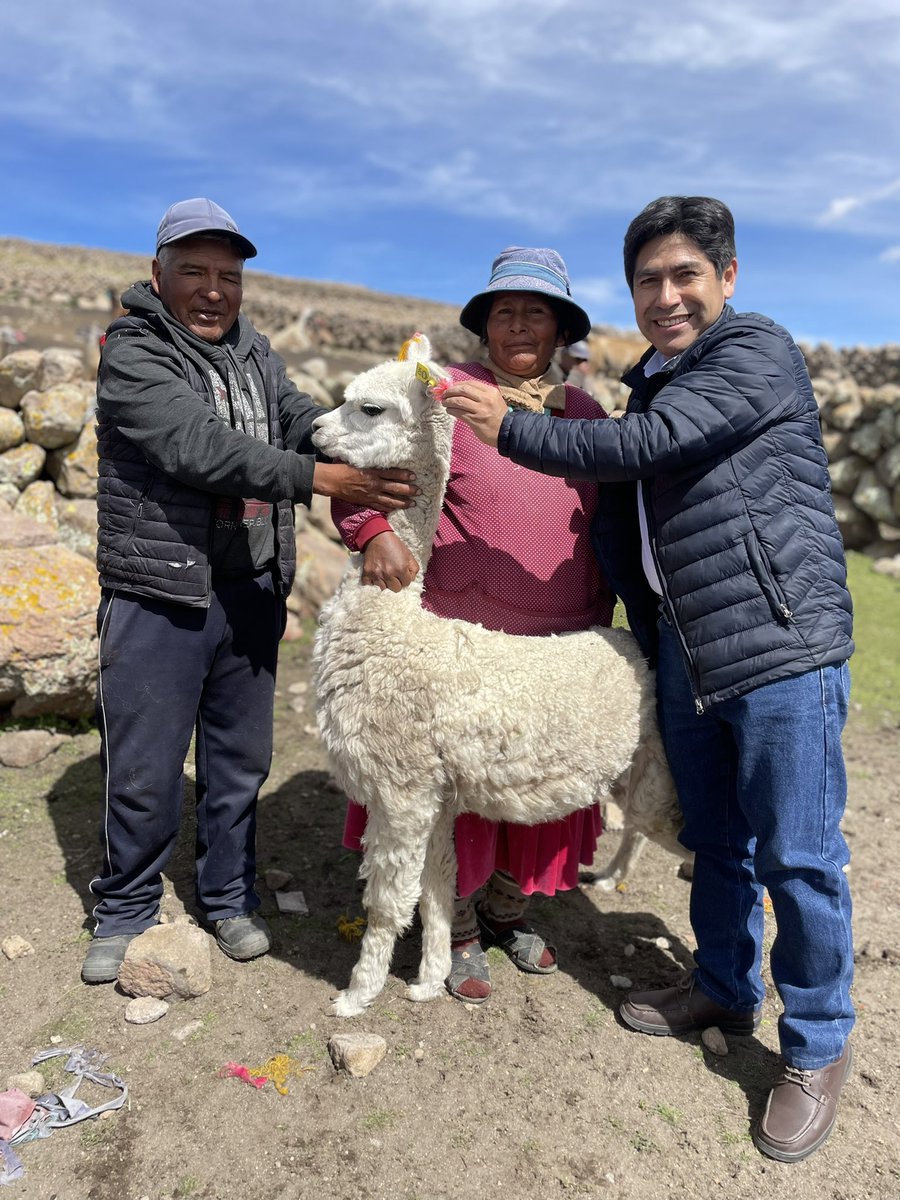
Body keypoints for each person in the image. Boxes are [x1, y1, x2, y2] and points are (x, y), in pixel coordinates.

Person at [441, 196, 854, 1163]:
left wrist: (515, 430)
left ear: (729, 279)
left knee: (797, 853)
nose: (666, 298)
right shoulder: (654, 380)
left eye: (685, 277)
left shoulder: (754, 355)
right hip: (686, 647)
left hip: (777, 641)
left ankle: (818, 1046)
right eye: (648, 282)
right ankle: (721, 981)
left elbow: (642, 454)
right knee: (712, 840)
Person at [82, 198, 417, 984]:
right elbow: (195, 446)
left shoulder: (253, 352)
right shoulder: (133, 351)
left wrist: (340, 432)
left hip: (250, 590)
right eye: (193, 272)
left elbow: (293, 415)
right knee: (145, 765)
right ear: (156, 274)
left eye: (227, 276)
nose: (212, 290)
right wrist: (318, 475)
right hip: (159, 592)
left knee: (239, 763)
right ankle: (126, 906)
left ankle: (227, 897)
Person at [333, 247, 615, 1004]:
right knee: (454, 793)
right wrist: (370, 531)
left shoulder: (584, 413)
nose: (520, 325)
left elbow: (610, 518)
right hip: (459, 644)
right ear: (484, 325)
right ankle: (452, 925)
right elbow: (368, 464)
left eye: (536, 312)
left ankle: (507, 909)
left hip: (559, 647)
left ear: (560, 328)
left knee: (537, 790)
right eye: (505, 312)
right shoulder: (445, 396)